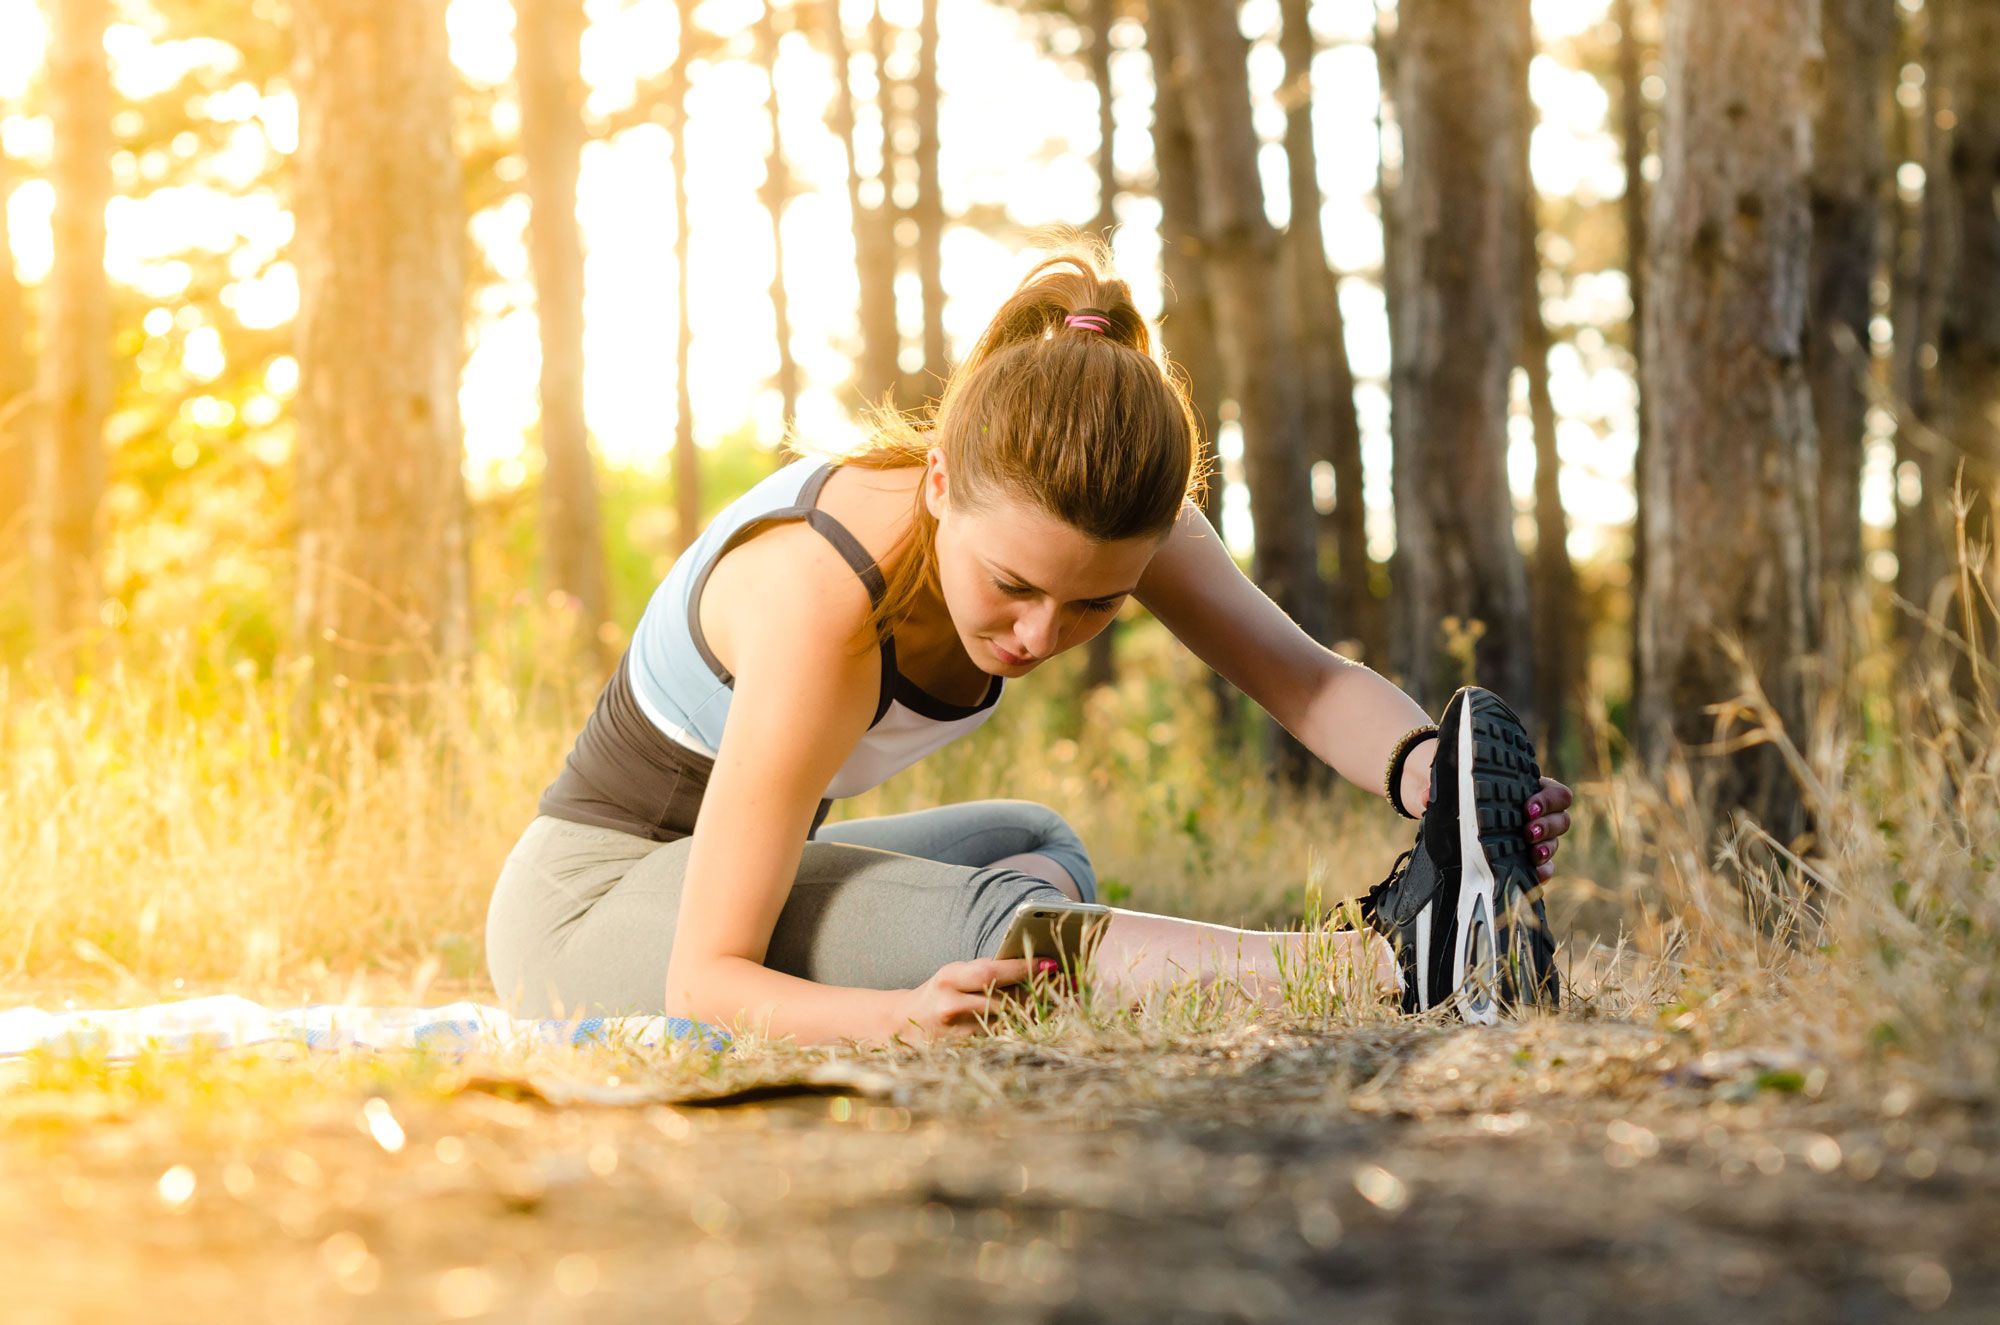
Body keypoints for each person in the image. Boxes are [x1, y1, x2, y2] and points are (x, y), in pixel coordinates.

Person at [484, 249, 1577, 1044]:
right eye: (1011, 586)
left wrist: (1427, 774)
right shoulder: (822, 598)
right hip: (586, 916)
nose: (1040, 634)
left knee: (1035, 841)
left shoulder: (1095, 514)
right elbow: (703, 978)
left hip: (729, 877)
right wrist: (890, 1013)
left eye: (1094, 606)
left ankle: (1424, 927)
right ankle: (1385, 964)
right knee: (997, 929)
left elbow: (1305, 680)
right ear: (939, 483)